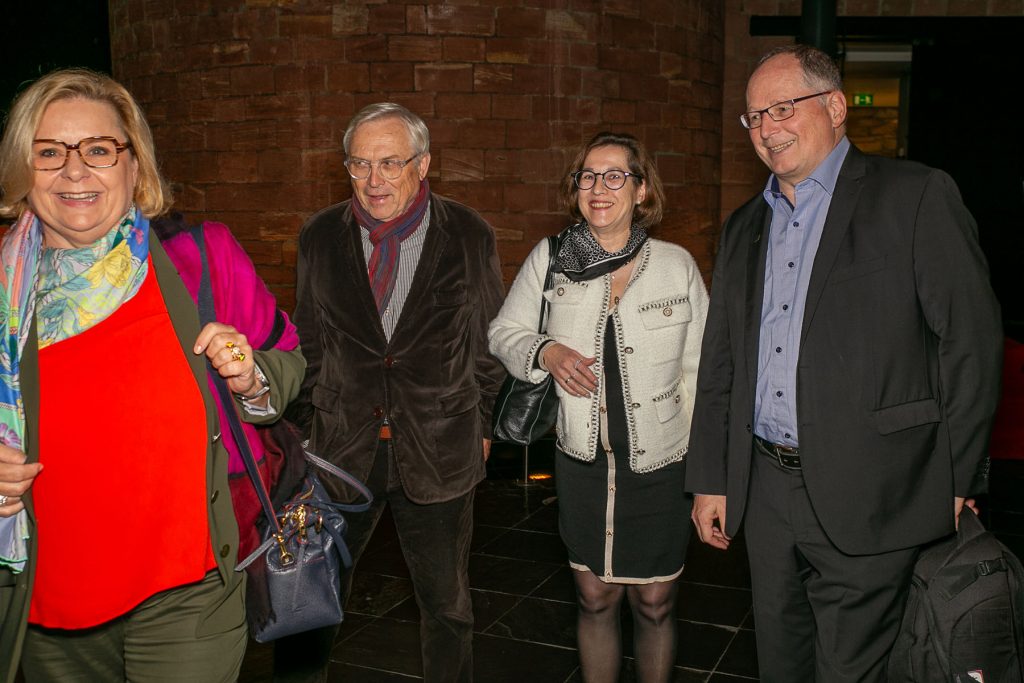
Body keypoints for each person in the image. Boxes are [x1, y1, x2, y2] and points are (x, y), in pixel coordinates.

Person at [685, 44, 1003, 682]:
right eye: (754, 117)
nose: (768, 128)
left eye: (783, 108)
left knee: (850, 670)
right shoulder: (745, 224)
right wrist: (711, 477)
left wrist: (958, 478)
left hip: (877, 484)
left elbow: (969, 344)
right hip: (766, 491)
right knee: (781, 661)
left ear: (834, 106)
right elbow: (721, 361)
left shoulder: (914, 195)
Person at [0, 68, 305, 682]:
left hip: (189, 587)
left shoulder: (201, 256)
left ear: (134, 166)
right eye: (50, 152)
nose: (75, 170)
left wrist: (252, 381)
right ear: (21, 170)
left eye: (99, 149)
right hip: (46, 597)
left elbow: (288, 361)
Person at [284, 102, 505, 683]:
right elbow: (308, 339)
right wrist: (307, 430)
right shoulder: (320, 236)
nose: (373, 180)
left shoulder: (468, 233)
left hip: (440, 447)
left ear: (423, 163)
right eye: (359, 165)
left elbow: (487, 343)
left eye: (389, 163)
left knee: (447, 608)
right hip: (339, 449)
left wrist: (480, 422)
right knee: (313, 602)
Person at [489, 132, 709, 683]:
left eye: (615, 176)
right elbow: (503, 332)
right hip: (582, 464)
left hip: (661, 468)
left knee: (655, 605)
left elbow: (702, 374)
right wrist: (546, 348)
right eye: (588, 176)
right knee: (594, 601)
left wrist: (712, 474)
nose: (599, 187)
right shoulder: (551, 259)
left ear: (640, 190)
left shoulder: (676, 266)